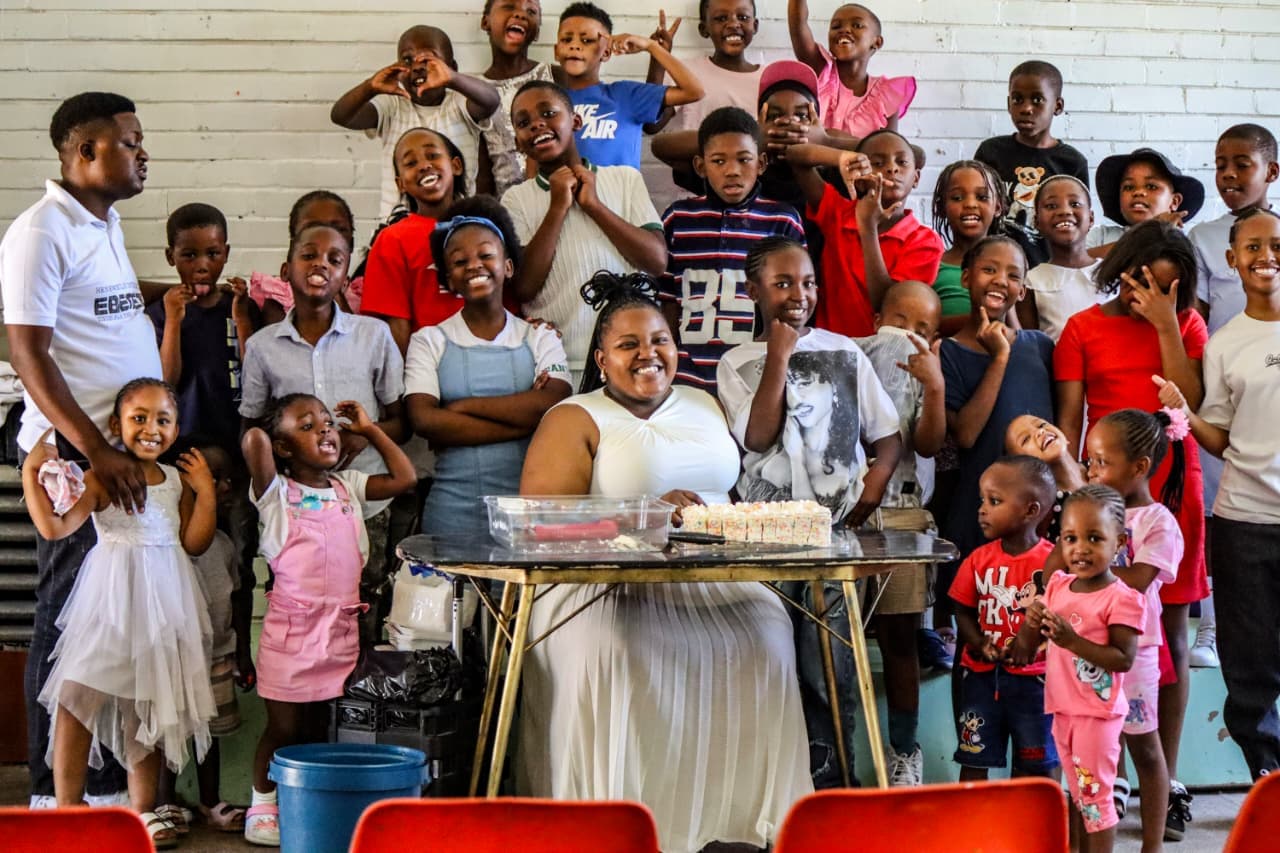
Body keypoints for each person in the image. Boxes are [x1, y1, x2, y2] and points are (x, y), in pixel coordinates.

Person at [517, 272, 812, 852]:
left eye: (659, 341)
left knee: (769, 634)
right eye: (629, 344)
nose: (648, 354)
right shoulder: (575, 418)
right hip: (600, 585)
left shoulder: (703, 402)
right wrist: (642, 515)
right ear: (601, 358)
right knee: (615, 653)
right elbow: (540, 525)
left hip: (717, 578)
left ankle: (738, 827)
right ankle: (617, 827)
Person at [0, 91, 161, 811]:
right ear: (83, 152)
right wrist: (96, 450)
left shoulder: (105, 222)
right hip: (78, 449)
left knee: (104, 622)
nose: (142, 151)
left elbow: (100, 314)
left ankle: (96, 785)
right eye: (129, 141)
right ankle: (48, 792)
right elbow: (29, 351)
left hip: (112, 447)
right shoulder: (40, 231)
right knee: (66, 615)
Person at [716, 238, 900, 788]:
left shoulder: (846, 351)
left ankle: (835, 788)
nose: (799, 295)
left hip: (832, 539)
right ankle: (777, 789)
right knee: (771, 664)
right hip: (765, 541)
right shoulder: (737, 361)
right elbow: (756, 436)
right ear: (753, 292)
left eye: (808, 283)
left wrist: (874, 487)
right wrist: (779, 354)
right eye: (782, 284)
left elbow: (886, 436)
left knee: (832, 667)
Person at [1054, 221, 1208, 835]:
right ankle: (1108, 774)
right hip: (1102, 502)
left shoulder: (1186, 324)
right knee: (1106, 625)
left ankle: (1161, 781)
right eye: (1150, 284)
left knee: (1167, 639)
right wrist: (1077, 503)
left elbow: (1191, 403)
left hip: (1172, 496)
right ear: (1126, 270)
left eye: (1174, 290)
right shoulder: (1082, 327)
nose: (1158, 297)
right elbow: (1069, 422)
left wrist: (1168, 323)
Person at [23, 379, 217, 848]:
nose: (152, 428)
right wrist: (32, 473)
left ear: (176, 427)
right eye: (139, 418)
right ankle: (68, 810)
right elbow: (54, 527)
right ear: (116, 425)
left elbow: (194, 543)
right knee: (74, 700)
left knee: (145, 710)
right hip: (108, 604)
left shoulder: (174, 482)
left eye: (163, 419)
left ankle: (141, 811)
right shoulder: (101, 478)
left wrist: (205, 490)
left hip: (165, 606)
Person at [241, 396, 415, 846]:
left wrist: (370, 429)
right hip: (292, 635)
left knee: (327, 728)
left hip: (339, 633)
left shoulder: (348, 487)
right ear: (282, 447)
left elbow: (405, 477)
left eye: (328, 423)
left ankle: (317, 803)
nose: (325, 430)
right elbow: (254, 440)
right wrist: (275, 437)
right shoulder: (275, 495)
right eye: (308, 426)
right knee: (284, 728)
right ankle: (263, 803)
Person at [1155, 208, 1280, 784]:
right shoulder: (1226, 344)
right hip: (1244, 522)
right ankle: (1267, 778)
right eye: (1251, 247)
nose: (1265, 256)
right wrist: (1183, 411)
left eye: (1275, 244)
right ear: (1231, 261)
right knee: (1250, 662)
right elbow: (1221, 437)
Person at [239, 224, 407, 646]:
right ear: (286, 270)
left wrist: (363, 436)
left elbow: (402, 422)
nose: (321, 265)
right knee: (300, 610)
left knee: (363, 609)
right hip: (296, 513)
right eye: (309, 255)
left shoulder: (374, 336)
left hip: (365, 502)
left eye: (335, 259)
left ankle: (355, 706)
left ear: (346, 278)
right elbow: (252, 426)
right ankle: (300, 694)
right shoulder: (262, 347)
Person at [405, 198, 572, 537]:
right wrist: (523, 420)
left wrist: (461, 408)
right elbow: (424, 420)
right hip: (452, 511)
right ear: (449, 279)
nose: (474, 265)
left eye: (486, 255)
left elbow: (552, 406)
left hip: (527, 515)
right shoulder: (429, 341)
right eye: (460, 261)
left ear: (508, 267)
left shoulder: (539, 336)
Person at [1186, 124, 1279, 670]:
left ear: (1271, 170)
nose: (1228, 175)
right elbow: (1196, 318)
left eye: (1242, 163)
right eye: (1220, 164)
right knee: (1226, 512)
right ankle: (1214, 626)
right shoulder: (1203, 239)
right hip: (1229, 384)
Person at [501, 80, 666, 377]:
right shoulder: (516, 199)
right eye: (524, 123)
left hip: (632, 359)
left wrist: (594, 206)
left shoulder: (624, 179)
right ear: (518, 142)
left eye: (548, 113)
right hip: (560, 363)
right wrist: (556, 208)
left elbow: (656, 261)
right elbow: (524, 287)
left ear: (576, 121)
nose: (537, 125)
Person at [852, 279, 946, 785]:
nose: (909, 335)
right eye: (901, 323)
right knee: (837, 638)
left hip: (906, 514)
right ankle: (838, 745)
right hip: (849, 513)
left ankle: (905, 751)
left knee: (901, 639)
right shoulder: (851, 357)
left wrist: (934, 384)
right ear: (876, 323)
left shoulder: (930, 370)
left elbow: (929, 444)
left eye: (924, 328)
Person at [1085, 408, 1188, 849]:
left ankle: (1151, 844)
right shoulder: (1094, 512)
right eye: (1089, 461)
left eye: (1101, 462)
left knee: (1145, 749)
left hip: (1137, 653)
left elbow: (1140, 579)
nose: (1091, 470)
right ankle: (1094, 833)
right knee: (1092, 750)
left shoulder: (1158, 521)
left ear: (1140, 467)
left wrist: (1085, 567)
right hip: (1090, 650)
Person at [1031, 485, 1146, 853]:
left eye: (1094, 538)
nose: (1080, 548)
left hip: (1096, 716)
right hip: (1063, 708)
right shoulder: (1059, 586)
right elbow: (1033, 641)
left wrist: (1071, 641)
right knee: (1078, 795)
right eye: (1070, 538)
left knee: (1096, 798)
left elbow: (1122, 658)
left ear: (1119, 542)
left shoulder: (1122, 598)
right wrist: (1034, 619)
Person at [659, 107, 806, 393]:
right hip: (688, 377)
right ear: (701, 167)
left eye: (744, 159)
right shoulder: (678, 219)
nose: (732, 171)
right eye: (718, 161)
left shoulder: (782, 220)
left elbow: (796, 304)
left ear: (761, 163)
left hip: (756, 376)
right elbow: (667, 302)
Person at [154, 441, 253, 836]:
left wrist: (243, 654)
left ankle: (208, 799)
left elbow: (236, 600)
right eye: (212, 479)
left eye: (227, 478)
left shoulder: (226, 544)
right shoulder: (168, 542)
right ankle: (165, 800)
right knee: (167, 733)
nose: (224, 487)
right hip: (174, 657)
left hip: (216, 655)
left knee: (209, 734)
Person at [939, 235, 1054, 562]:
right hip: (979, 510)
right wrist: (1000, 358)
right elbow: (965, 434)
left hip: (1037, 512)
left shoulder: (1039, 346)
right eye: (989, 269)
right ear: (966, 277)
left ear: (1021, 291)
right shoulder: (948, 351)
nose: (1000, 280)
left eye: (1013, 275)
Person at [947, 457, 1058, 783]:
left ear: (1031, 510)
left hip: (1035, 683)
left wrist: (1035, 644)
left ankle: (1036, 827)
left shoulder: (1052, 563)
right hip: (982, 679)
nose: (982, 509)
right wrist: (978, 642)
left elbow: (1060, 619)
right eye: (982, 500)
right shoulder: (978, 560)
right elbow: (962, 610)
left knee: (1037, 764)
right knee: (973, 755)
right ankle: (972, 825)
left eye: (994, 501)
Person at [329, 25, 499, 215]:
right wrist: (370, 87)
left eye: (428, 59)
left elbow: (491, 101)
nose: (417, 66)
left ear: (451, 68)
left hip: (453, 228)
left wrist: (453, 79)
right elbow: (341, 116)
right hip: (398, 229)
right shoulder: (392, 107)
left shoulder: (460, 104)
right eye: (407, 60)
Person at [787, 130, 943, 336]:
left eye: (902, 162)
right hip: (831, 350)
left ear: (916, 177)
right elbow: (795, 156)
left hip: (884, 357)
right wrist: (843, 157)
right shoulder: (838, 213)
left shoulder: (925, 241)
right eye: (877, 163)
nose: (892, 168)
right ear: (858, 179)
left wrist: (867, 228)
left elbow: (886, 304)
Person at [146, 203, 258, 455]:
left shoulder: (240, 306)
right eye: (189, 255)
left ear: (226, 253)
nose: (202, 265)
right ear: (170, 256)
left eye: (213, 253)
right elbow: (165, 382)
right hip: (180, 441)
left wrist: (242, 320)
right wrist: (174, 319)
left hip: (234, 437)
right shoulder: (160, 313)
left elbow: (254, 375)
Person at [553, 2, 703, 169]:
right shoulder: (549, 102)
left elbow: (694, 91)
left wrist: (651, 47)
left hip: (621, 194)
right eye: (566, 39)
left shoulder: (626, 95)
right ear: (556, 51)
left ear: (606, 52)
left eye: (587, 40)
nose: (574, 45)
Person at [359, 127, 468, 355]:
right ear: (400, 184)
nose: (424, 165)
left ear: (455, 165)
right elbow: (395, 323)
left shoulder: (484, 227)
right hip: (426, 367)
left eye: (433, 155)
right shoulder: (392, 239)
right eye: (410, 163)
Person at [974, 60, 1089, 267]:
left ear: (1058, 105)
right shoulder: (990, 152)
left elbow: (1079, 227)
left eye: (1037, 100)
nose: (1026, 108)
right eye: (1017, 99)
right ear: (1008, 104)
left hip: (1047, 272)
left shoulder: (1071, 163)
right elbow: (977, 210)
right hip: (994, 266)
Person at [645, 0, 764, 195]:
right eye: (721, 18)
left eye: (742, 17)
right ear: (704, 28)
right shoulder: (687, 73)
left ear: (755, 25)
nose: (733, 24)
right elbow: (651, 124)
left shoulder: (768, 78)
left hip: (751, 195)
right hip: (697, 192)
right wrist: (658, 57)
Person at [785, 1, 915, 138]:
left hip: (861, 160)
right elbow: (798, 25)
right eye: (836, 26)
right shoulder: (820, 70)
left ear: (877, 42)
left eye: (857, 25)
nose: (844, 30)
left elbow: (889, 148)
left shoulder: (886, 95)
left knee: (917, 153)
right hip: (811, 159)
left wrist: (831, 139)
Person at [246, 191, 361, 326]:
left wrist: (336, 296)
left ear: (351, 244)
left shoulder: (361, 299)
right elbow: (277, 343)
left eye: (338, 229)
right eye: (312, 228)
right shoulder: (278, 298)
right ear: (294, 243)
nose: (326, 236)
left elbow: (358, 341)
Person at [478, 0, 555, 198]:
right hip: (506, 210)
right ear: (485, 22)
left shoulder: (555, 76)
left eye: (531, 11)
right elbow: (483, 171)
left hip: (556, 199)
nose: (520, 14)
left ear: (537, 32)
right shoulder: (476, 92)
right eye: (509, 6)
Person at [1017, 175, 1103, 342]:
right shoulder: (1030, 282)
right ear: (1037, 222)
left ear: (1091, 218)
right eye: (1051, 206)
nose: (1064, 211)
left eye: (1075, 204)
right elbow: (1030, 346)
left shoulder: (1111, 274)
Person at [930, 159, 1008, 336]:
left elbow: (1017, 330)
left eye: (982, 197)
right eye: (957, 198)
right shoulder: (933, 266)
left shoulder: (1010, 265)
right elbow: (925, 326)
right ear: (942, 208)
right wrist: (978, 319)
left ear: (998, 207)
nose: (970, 204)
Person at [1087, 148, 1205, 257]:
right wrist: (1151, 233)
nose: (1138, 192)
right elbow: (1077, 262)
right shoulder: (1099, 236)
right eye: (1128, 187)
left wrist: (1158, 232)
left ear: (1174, 202)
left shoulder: (1182, 244)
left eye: (1151, 186)